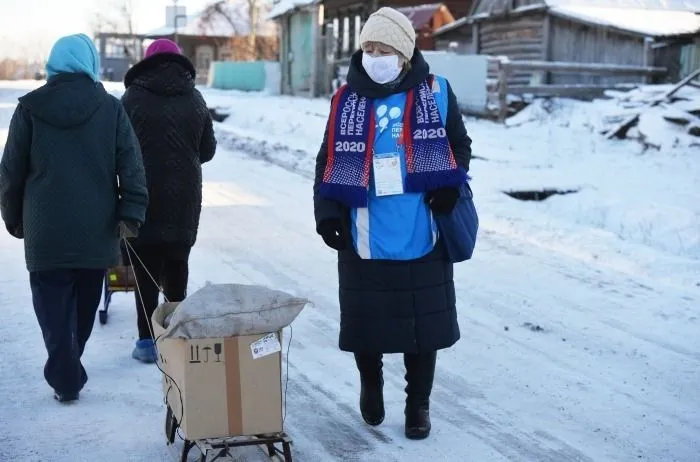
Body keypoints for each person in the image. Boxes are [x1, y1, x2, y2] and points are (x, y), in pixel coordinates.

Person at [313, 7, 472, 440]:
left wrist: (451, 185)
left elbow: (459, 145)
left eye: (383, 48)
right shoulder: (345, 99)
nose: (374, 55)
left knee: (423, 329)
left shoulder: (437, 93)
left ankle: (418, 405)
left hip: (423, 229)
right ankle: (371, 383)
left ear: (403, 53)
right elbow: (326, 160)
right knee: (368, 322)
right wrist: (328, 214)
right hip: (365, 232)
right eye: (368, 48)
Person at [0, 33, 148, 403]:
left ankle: (64, 373)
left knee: (52, 312)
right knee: (82, 311)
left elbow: (10, 173)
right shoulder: (110, 108)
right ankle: (68, 368)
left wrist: (13, 217)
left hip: (44, 231)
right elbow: (132, 166)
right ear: (90, 63)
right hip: (95, 232)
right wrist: (131, 212)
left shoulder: (30, 108)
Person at [120, 39, 217, 363]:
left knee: (145, 269)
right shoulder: (195, 98)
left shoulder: (132, 98)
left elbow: (117, 150)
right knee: (177, 262)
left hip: (142, 194)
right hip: (184, 196)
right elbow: (207, 151)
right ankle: (175, 336)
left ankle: (147, 341)